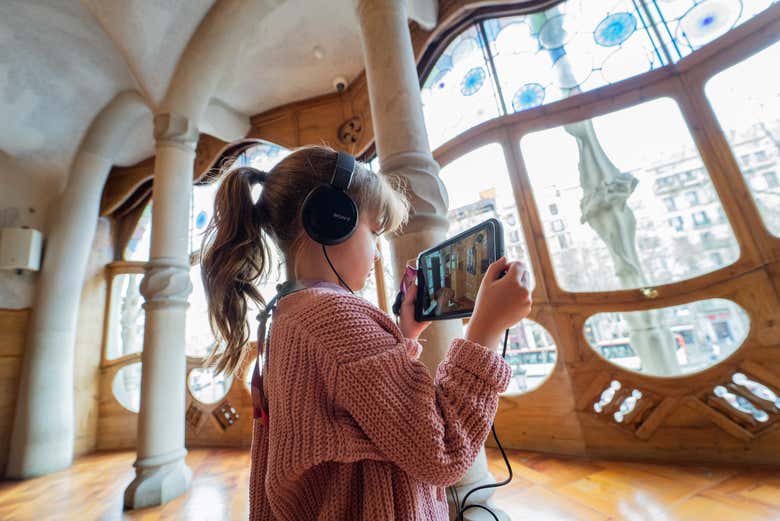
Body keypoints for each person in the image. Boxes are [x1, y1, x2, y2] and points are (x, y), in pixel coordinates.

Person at [199, 144, 533, 520]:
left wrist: (403, 335)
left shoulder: (288, 313)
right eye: (373, 231)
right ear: (330, 219)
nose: (376, 253)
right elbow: (443, 450)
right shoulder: (336, 315)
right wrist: (485, 332)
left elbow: (357, 405)